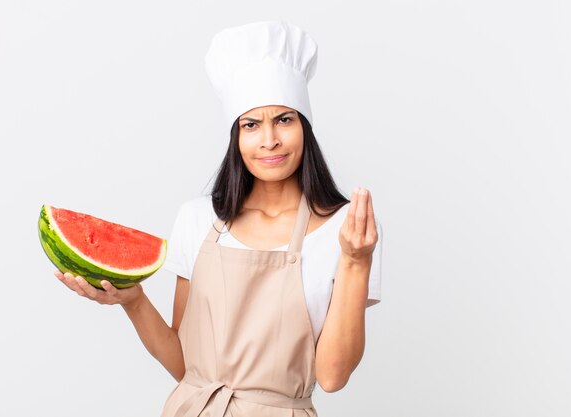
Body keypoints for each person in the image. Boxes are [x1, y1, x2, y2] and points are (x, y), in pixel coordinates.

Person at [54, 20, 383, 417]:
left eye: (284, 119)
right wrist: (135, 301)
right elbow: (184, 366)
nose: (269, 140)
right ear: (236, 137)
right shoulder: (197, 219)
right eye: (251, 124)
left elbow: (332, 376)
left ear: (304, 128)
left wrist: (355, 260)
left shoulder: (346, 232)